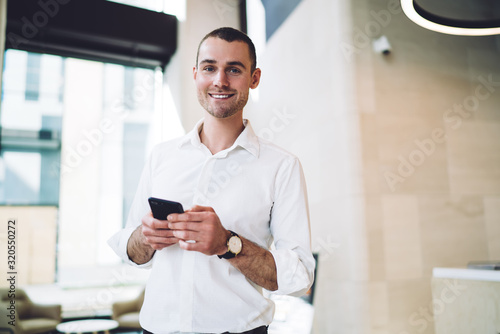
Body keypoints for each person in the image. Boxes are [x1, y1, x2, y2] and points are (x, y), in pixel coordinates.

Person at [108, 27, 315, 334]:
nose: (220, 81)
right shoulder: (162, 156)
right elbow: (133, 253)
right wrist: (146, 236)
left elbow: (299, 276)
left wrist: (227, 243)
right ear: (195, 74)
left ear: (254, 78)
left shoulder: (282, 167)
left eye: (234, 69)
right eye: (209, 68)